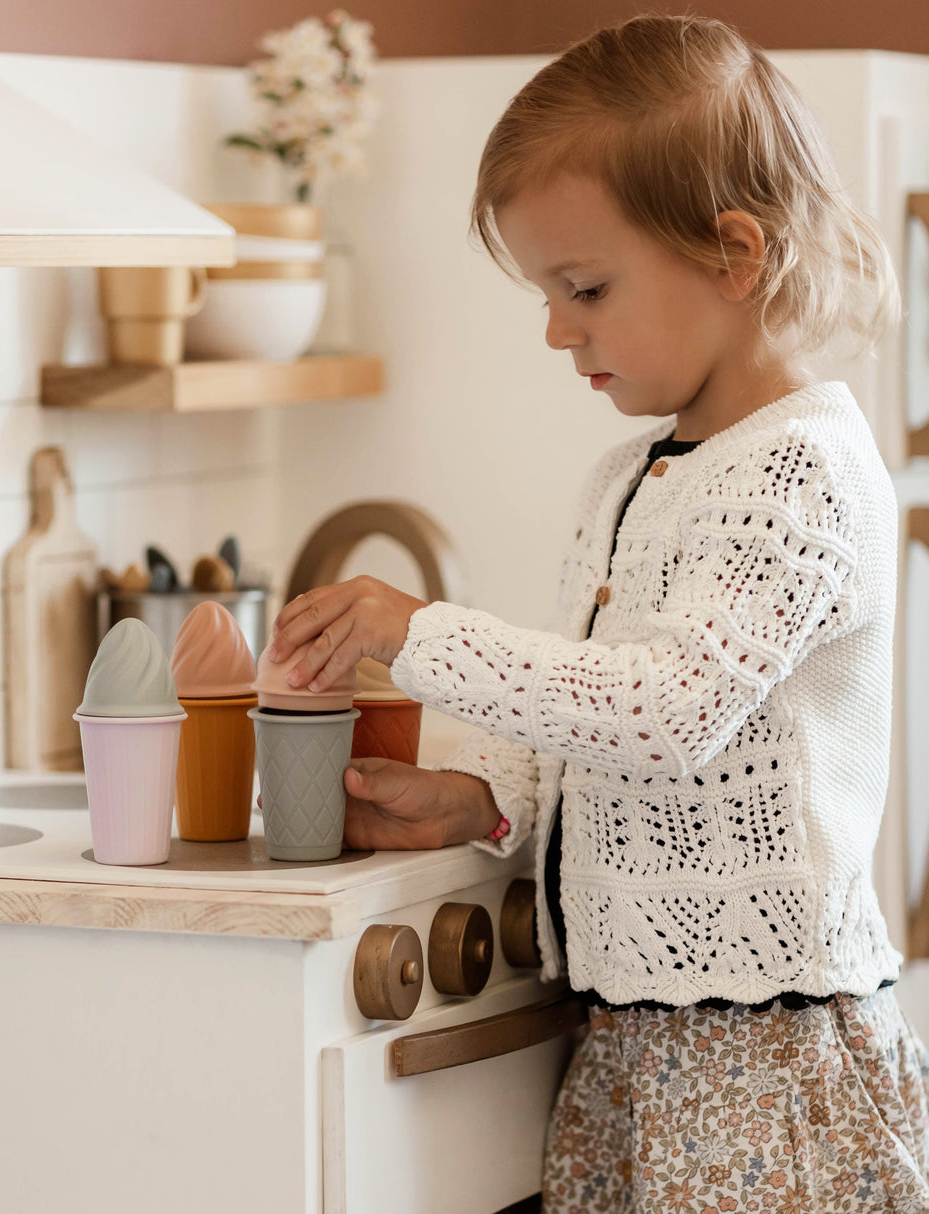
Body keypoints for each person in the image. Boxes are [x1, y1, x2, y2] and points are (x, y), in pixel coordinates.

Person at [265, 14, 929, 1211]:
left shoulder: (803, 471)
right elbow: (609, 725)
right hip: (636, 1050)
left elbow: (671, 708)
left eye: (584, 287)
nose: (556, 328)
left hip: (767, 1062)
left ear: (733, 254)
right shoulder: (629, 477)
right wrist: (491, 796)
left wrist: (418, 634)